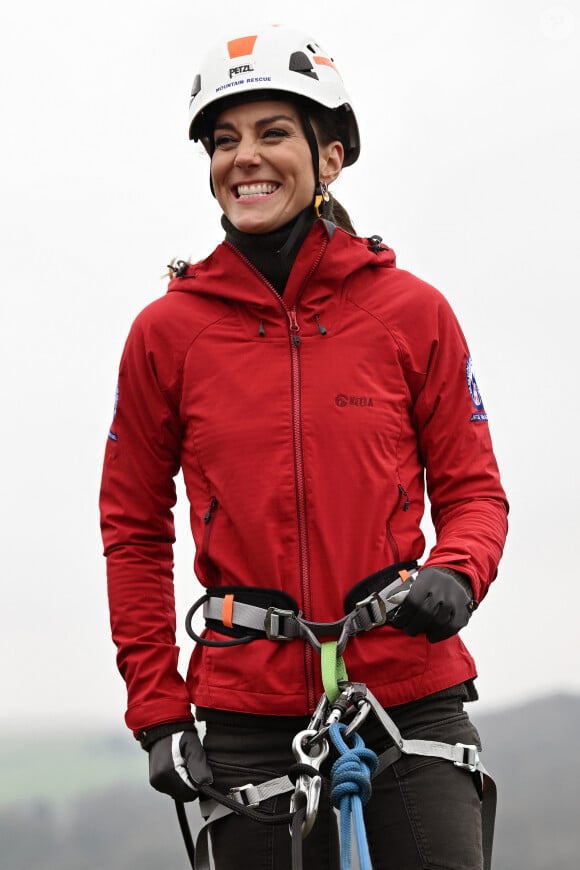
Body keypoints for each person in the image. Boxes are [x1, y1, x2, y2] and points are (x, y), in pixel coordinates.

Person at [100, 25, 508, 870]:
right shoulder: (165, 334)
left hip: (409, 697)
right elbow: (134, 527)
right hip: (245, 718)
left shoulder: (412, 314)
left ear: (330, 158)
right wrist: (158, 707)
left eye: (271, 133)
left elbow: (475, 491)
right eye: (223, 141)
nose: (242, 159)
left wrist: (458, 572)